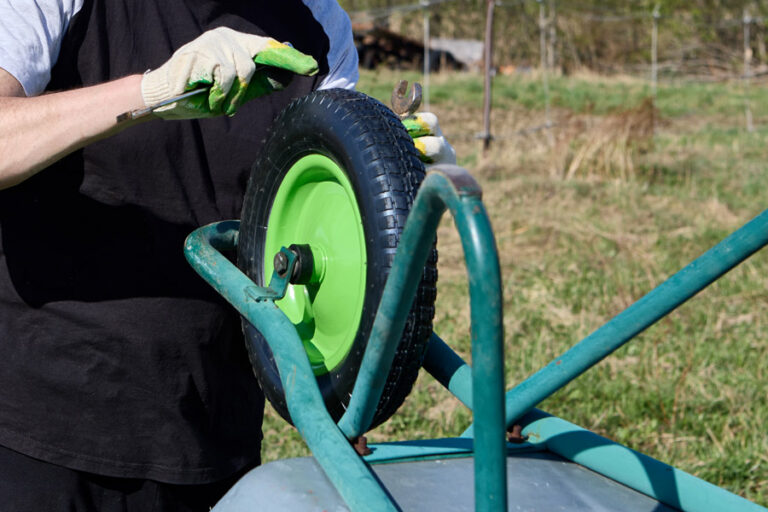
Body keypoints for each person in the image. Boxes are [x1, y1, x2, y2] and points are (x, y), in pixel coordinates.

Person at [0, 1, 453, 510]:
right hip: (42, 420)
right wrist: (148, 92)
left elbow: (324, 210)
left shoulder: (319, 22)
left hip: (213, 425)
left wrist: (391, 171)